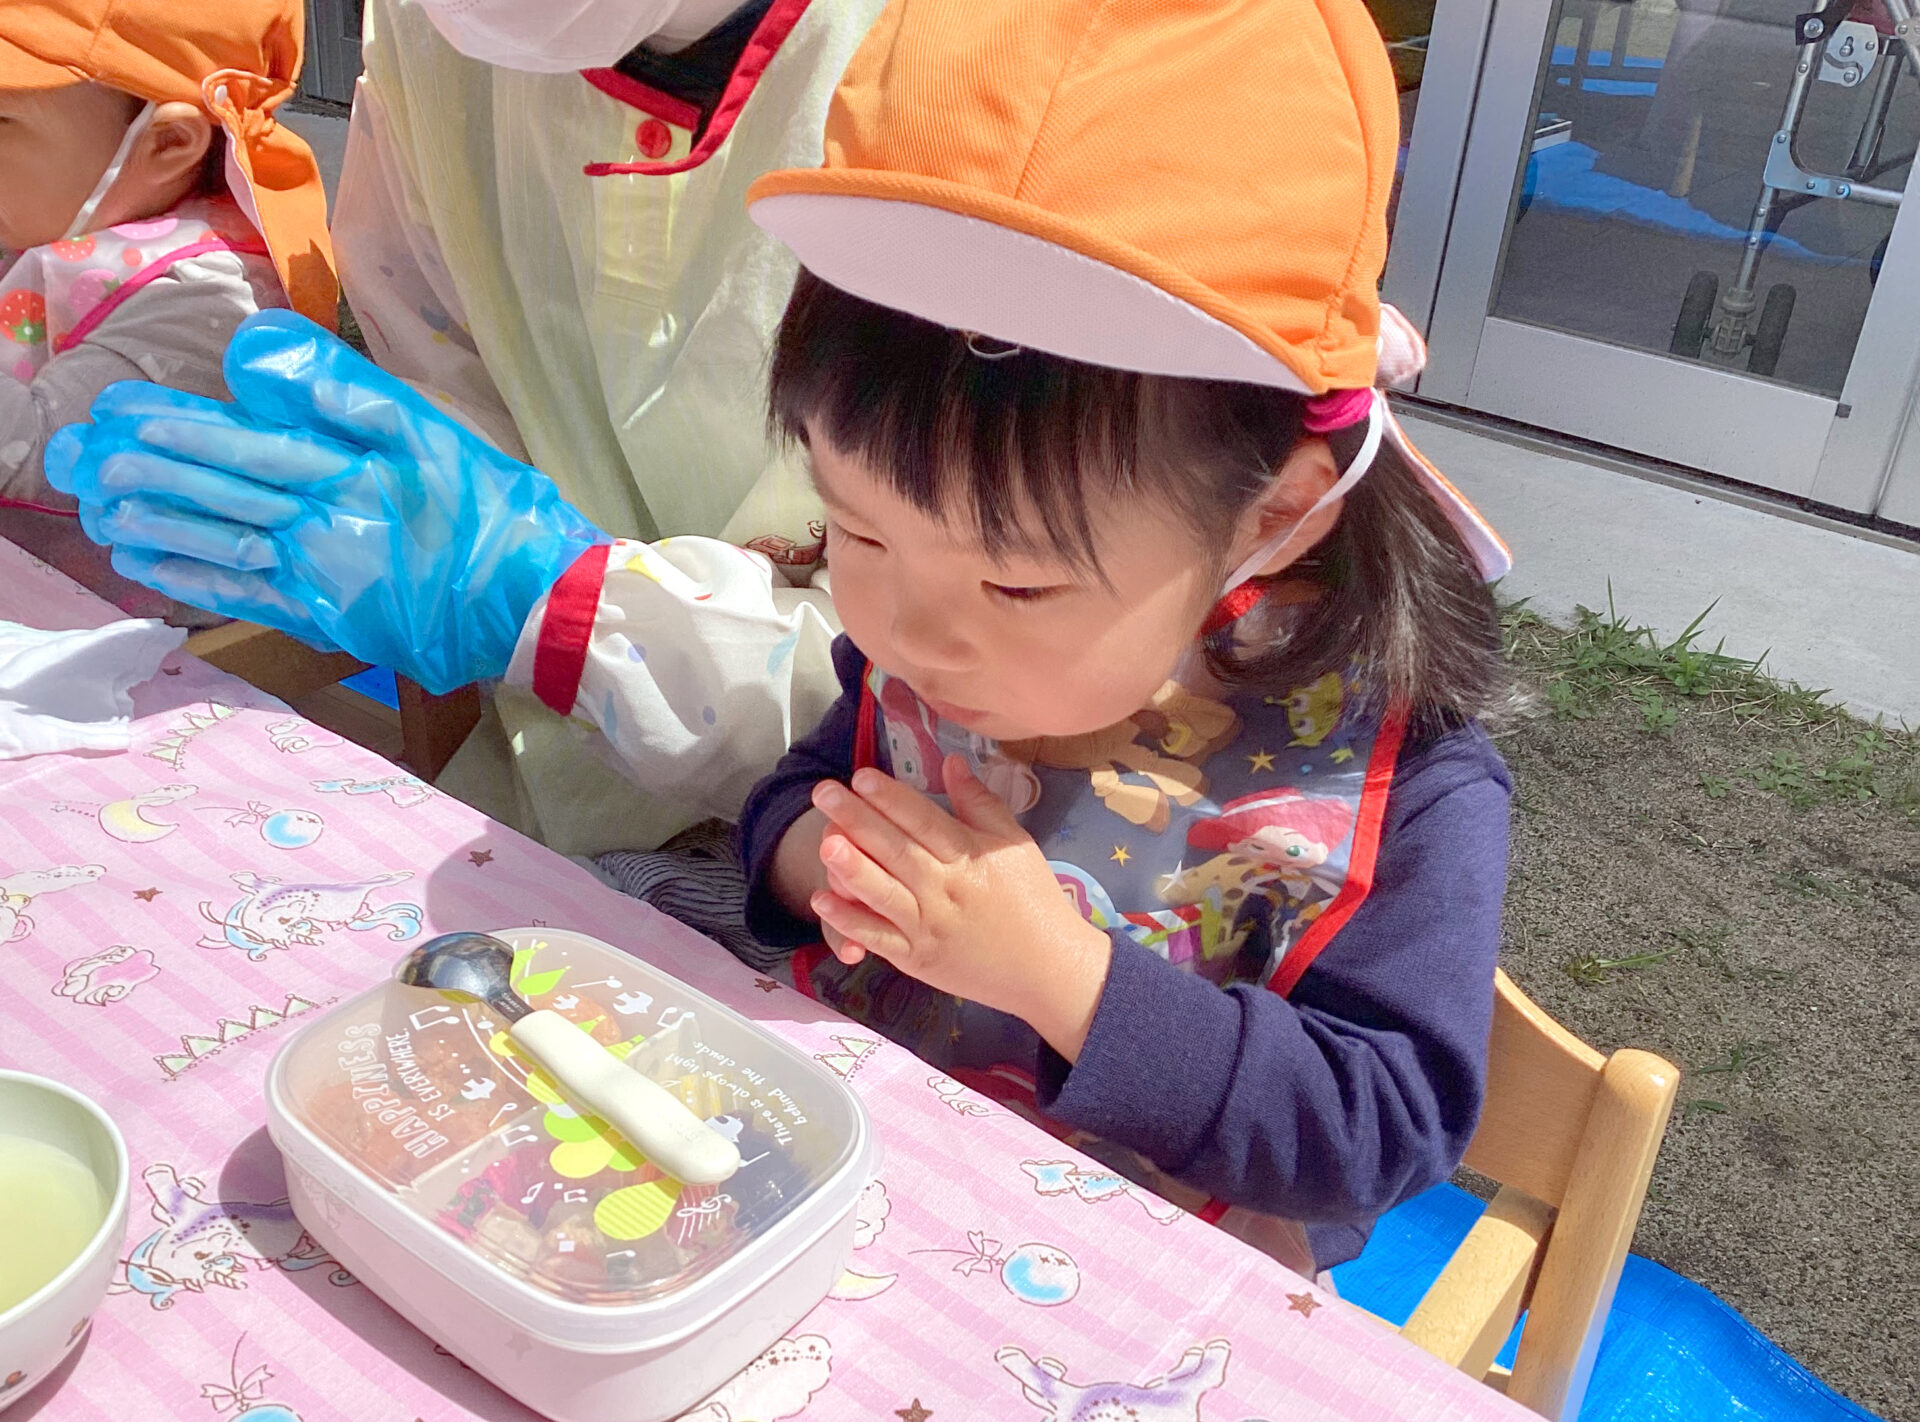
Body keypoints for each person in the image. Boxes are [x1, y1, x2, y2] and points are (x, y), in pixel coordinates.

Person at [49, 0, 1515, 1277]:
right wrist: (808, 857)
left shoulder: (1392, 787)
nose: (906, 629)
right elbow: (802, 782)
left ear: (1278, 513)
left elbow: (1376, 1131)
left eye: (1014, 587)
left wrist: (1065, 979)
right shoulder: (928, 640)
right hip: (829, 1168)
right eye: (858, 532)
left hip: (1118, 1251)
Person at [327, 0, 886, 850]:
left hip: (884, 842)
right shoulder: (423, 34)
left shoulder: (978, 56)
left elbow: (976, 658)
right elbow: (433, 357)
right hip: (548, 792)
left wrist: (568, 607)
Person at [0, 0, 334, 619]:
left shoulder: (205, 296)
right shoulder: (59, 218)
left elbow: (40, 463)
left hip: (141, 651)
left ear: (167, 144)